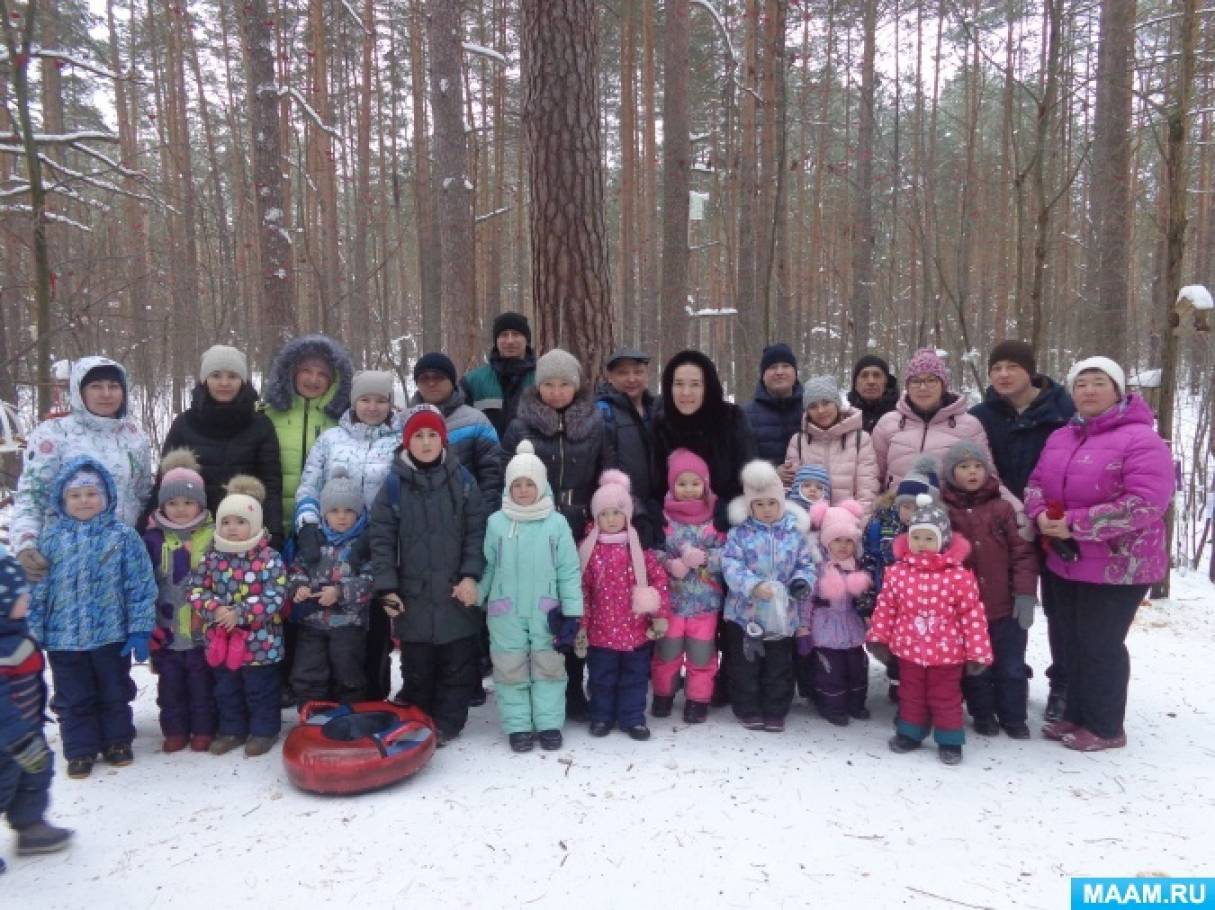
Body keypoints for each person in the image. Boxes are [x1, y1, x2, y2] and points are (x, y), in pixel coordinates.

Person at [1024, 357, 1173, 752]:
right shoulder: (1062, 436)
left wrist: (1074, 522)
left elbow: (1146, 502)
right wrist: (1040, 517)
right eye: (1081, 384)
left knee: (1100, 644)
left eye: (1098, 383)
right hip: (1066, 557)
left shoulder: (1142, 439)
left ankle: (1106, 726)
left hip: (1119, 564)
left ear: (1118, 390)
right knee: (1068, 640)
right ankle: (1075, 713)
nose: (1088, 391)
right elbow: (1036, 483)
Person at [501, 348, 616, 722]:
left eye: (563, 384)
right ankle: (538, 685)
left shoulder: (596, 423)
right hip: (536, 523)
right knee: (541, 608)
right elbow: (504, 476)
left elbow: (608, 472)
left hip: (582, 521)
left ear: (576, 385)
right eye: (548, 384)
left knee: (576, 606)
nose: (555, 391)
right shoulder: (521, 426)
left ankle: (573, 688)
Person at [26, 457, 156, 779]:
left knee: (115, 690)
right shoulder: (51, 539)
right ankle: (80, 749)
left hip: (111, 636)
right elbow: (38, 589)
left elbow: (140, 585)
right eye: (76, 495)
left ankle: (117, 741)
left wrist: (140, 629)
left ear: (107, 496)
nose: (84, 501)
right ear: (62, 500)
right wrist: (34, 630)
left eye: (91, 494)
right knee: (73, 697)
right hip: (64, 639)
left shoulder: (123, 537)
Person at [969, 340, 1075, 721]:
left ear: (1030, 370)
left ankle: (1063, 683)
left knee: (1061, 611)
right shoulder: (981, 415)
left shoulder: (1065, 411)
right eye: (996, 367)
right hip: (1000, 526)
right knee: (1004, 608)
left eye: (1012, 366)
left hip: (1054, 523)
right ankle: (1008, 675)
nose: (1003, 374)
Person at [368, 405, 487, 747]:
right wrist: (387, 587)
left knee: (456, 666)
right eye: (418, 436)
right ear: (407, 442)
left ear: (443, 440)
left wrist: (470, 575)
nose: (425, 442)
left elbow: (476, 533)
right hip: (413, 596)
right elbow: (381, 541)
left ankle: (449, 723)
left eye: (432, 435)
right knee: (416, 665)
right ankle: (420, 719)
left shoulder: (463, 481)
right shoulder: (392, 486)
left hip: (455, 594)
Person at [294, 370, 400, 700]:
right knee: (322, 628)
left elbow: (403, 490)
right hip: (330, 536)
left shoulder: (398, 440)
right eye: (365, 400)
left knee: (372, 619)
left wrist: (382, 532)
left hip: (380, 539)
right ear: (354, 402)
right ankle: (319, 696)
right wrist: (309, 526)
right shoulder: (331, 439)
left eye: (380, 400)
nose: (372, 407)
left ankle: (370, 694)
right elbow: (309, 483)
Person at [866, 494, 992, 765]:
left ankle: (949, 739)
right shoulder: (898, 572)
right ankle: (910, 733)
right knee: (910, 694)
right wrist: (879, 637)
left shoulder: (958, 575)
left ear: (943, 541)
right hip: (909, 650)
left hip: (947, 655)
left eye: (928, 538)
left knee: (945, 696)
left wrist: (977, 651)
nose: (922, 545)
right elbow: (887, 606)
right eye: (917, 538)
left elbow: (972, 614)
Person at [479, 441, 583, 753]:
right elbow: (487, 565)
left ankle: (549, 724)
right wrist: (476, 594)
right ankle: (518, 726)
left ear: (542, 485)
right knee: (510, 669)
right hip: (505, 611)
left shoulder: (556, 523)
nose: (523, 491)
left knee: (549, 667)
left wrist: (573, 612)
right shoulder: (496, 523)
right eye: (517, 485)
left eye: (530, 484)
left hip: (546, 610)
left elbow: (568, 569)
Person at [11, 357, 153, 582]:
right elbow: (31, 496)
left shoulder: (135, 437)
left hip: (123, 560)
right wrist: (25, 543)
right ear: (79, 391)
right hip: (66, 560)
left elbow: (143, 496)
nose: (106, 393)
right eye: (96, 386)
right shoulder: (54, 434)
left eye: (114, 386)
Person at [941, 441, 1038, 739]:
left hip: (1004, 606)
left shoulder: (1003, 508)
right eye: (964, 467)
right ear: (950, 473)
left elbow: (1022, 553)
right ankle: (983, 715)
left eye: (978, 466)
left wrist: (1024, 593)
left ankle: (1014, 717)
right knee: (975, 666)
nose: (972, 473)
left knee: (1010, 665)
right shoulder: (944, 512)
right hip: (964, 610)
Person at [187, 476, 288, 758]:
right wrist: (214, 608)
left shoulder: (269, 558)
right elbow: (194, 589)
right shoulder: (211, 557)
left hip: (261, 644)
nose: (232, 528)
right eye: (227, 522)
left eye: (240, 522)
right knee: (226, 690)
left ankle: (263, 731)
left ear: (254, 524)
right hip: (221, 642)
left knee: (260, 690)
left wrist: (241, 612)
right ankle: (232, 730)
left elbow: (276, 593)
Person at [151, 345, 283, 548]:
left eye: (232, 376)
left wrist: (274, 532)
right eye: (216, 375)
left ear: (243, 380)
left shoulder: (261, 426)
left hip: (241, 531)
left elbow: (271, 486)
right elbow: (164, 482)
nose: (224, 383)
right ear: (205, 380)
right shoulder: (184, 424)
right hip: (190, 533)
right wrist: (148, 525)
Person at [722, 460, 818, 733]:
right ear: (750, 506)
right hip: (745, 614)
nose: (766, 510)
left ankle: (776, 709)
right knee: (746, 665)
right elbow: (730, 565)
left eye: (772, 503)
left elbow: (806, 564)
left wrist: (801, 582)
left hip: (782, 615)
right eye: (759, 504)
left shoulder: (794, 534)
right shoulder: (739, 534)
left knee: (779, 665)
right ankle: (747, 708)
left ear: (782, 503)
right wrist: (752, 585)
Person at [579, 470, 669, 741]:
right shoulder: (588, 552)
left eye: (616, 513)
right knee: (601, 678)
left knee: (635, 678)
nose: (611, 519)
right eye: (604, 514)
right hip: (601, 632)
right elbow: (582, 589)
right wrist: (582, 624)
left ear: (627, 515)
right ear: (596, 518)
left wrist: (660, 614)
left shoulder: (638, 550)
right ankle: (602, 716)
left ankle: (633, 718)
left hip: (635, 632)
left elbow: (658, 581)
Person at [0, 554, 75, 869]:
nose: (27, 596)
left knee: (36, 772)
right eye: (21, 594)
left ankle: (29, 826)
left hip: (26, 732)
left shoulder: (16, 632)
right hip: (8, 738)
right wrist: (16, 738)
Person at [142, 450, 216, 754]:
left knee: (202, 684)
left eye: (188, 502)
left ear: (200, 502)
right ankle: (174, 730)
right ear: (162, 505)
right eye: (173, 503)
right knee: (170, 686)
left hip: (202, 630)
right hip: (167, 629)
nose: (181, 509)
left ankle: (203, 729)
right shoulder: (152, 538)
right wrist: (148, 625)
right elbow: (143, 585)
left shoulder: (213, 534)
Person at [651, 449, 726, 725]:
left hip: (704, 603)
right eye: (682, 484)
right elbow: (652, 553)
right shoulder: (664, 519)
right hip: (670, 603)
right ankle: (663, 694)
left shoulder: (715, 519)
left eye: (695, 483)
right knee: (667, 652)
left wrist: (706, 559)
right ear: (672, 485)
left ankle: (697, 700)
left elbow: (729, 555)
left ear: (705, 484)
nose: (689, 490)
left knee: (701, 654)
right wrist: (670, 565)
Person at [287, 471, 373, 709]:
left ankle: (348, 715)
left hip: (348, 624)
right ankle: (311, 715)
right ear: (324, 513)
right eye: (335, 511)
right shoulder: (314, 540)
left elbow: (371, 580)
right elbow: (297, 568)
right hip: (312, 623)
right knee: (308, 672)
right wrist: (299, 586)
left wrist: (340, 591)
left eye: (349, 511)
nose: (342, 517)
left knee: (348, 673)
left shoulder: (364, 545)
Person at [651, 349, 757, 534]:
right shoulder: (661, 425)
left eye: (695, 384)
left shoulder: (732, 419)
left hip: (726, 529)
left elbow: (747, 477)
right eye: (678, 384)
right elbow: (654, 487)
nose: (685, 392)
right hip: (674, 532)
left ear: (708, 387)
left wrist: (723, 514)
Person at [262, 334, 354, 541]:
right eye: (306, 371)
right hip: (272, 528)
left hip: (325, 532)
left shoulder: (344, 420)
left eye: (322, 374)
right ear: (291, 373)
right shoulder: (266, 415)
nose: (313, 379)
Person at [870, 348, 998, 492]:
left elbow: (989, 478)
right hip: (898, 508)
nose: (923, 387)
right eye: (915, 381)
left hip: (949, 511)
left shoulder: (969, 425)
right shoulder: (888, 423)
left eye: (931, 380)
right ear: (907, 386)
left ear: (943, 385)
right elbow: (872, 476)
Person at [799, 500, 872, 726]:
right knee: (831, 670)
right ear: (826, 542)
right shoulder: (818, 568)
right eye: (837, 540)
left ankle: (856, 702)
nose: (843, 546)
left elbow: (865, 599)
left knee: (857, 666)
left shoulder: (858, 566)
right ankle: (832, 706)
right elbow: (806, 600)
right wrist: (803, 627)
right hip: (825, 627)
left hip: (851, 626)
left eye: (848, 541)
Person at [411, 352, 504, 510]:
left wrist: (484, 517)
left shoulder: (476, 421)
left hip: (467, 516)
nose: (431, 383)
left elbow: (492, 476)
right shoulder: (404, 421)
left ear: (452, 381)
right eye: (424, 378)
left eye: (439, 377)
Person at [596, 347, 661, 548]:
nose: (631, 378)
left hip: (658, 508)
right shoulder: (603, 411)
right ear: (610, 377)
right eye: (623, 373)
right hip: (622, 511)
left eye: (638, 372)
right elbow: (604, 464)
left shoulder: (657, 408)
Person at [785, 375, 880, 512]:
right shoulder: (798, 441)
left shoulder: (860, 439)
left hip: (847, 523)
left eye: (826, 403)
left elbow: (867, 490)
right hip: (808, 523)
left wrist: (859, 524)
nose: (821, 410)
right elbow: (790, 487)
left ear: (836, 403)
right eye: (813, 406)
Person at [461, 311, 538, 438]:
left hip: (532, 456)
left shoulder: (542, 378)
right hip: (487, 456)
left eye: (516, 334)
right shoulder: (473, 381)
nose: (510, 341)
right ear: (496, 341)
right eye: (503, 335)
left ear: (527, 339)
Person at [742, 343, 804, 485]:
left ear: (795, 373)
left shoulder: (812, 410)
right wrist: (771, 473)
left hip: (809, 497)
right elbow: (741, 461)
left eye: (786, 366)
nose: (779, 372)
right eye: (772, 367)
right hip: (763, 498)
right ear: (763, 376)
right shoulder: (745, 415)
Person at [848, 355, 899, 434]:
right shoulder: (844, 420)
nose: (871, 381)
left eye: (877, 375)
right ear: (855, 384)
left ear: (886, 382)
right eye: (864, 375)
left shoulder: (903, 418)